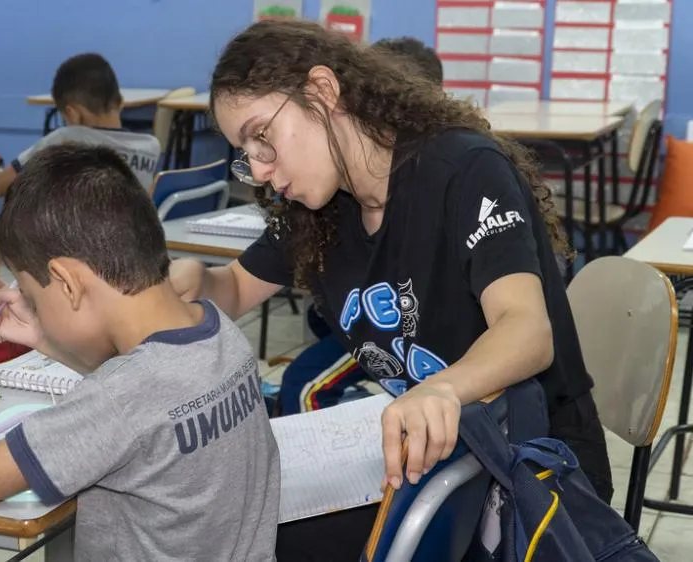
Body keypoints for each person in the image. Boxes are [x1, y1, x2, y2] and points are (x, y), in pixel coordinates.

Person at [169, 20, 611, 560]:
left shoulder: (463, 170)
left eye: (263, 135)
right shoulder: (317, 209)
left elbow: (526, 330)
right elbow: (234, 287)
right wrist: (197, 282)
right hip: (436, 461)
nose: (259, 170)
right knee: (241, 525)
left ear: (322, 92)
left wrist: (442, 390)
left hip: (532, 467)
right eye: (245, 151)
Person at [0, 143, 279, 561]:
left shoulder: (121, 400)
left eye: (33, 297)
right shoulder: (217, 329)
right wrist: (44, 334)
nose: (34, 308)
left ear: (66, 282)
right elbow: (141, 391)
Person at [279, 35, 443, 416]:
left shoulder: (439, 179)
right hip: (366, 318)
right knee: (317, 319)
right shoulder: (337, 177)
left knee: (304, 383)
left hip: (400, 332)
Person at [0, 53, 161, 198]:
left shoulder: (65, 140)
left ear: (73, 113)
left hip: (72, 244)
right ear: (120, 103)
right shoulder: (150, 147)